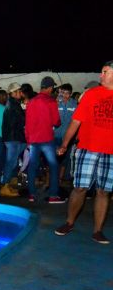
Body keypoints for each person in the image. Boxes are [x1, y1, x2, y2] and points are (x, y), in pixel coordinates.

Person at [55, 60, 113, 244]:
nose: (100, 75)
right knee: (80, 188)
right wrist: (65, 144)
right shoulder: (91, 94)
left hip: (110, 152)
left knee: (104, 191)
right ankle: (69, 222)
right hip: (87, 148)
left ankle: (98, 231)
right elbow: (76, 121)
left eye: (105, 72)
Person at [25, 76, 64, 203]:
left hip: (33, 140)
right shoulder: (51, 101)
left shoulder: (31, 102)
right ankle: (53, 195)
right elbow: (56, 122)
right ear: (50, 87)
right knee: (53, 166)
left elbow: (27, 123)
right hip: (47, 139)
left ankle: (31, 194)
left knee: (32, 166)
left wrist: (28, 140)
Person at [0, 83, 27, 197]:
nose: (21, 93)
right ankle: (4, 186)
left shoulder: (13, 103)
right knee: (11, 161)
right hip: (13, 137)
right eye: (19, 91)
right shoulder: (13, 105)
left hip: (14, 137)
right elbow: (18, 121)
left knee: (13, 161)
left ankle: (8, 184)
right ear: (13, 93)